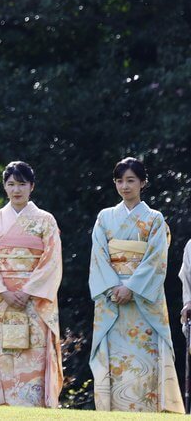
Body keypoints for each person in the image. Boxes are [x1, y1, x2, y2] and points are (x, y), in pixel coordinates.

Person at [89, 157, 183, 412]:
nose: (125, 186)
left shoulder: (154, 218)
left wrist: (131, 288)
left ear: (143, 182)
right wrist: (113, 288)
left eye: (131, 180)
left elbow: (156, 259)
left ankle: (149, 410)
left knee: (146, 356)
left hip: (142, 299)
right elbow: (98, 256)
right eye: (120, 181)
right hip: (113, 299)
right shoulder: (105, 217)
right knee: (115, 356)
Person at [0, 161, 63, 407]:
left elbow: (51, 261)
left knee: (32, 357)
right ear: (4, 187)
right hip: (1, 300)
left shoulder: (46, 220)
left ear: (31, 187)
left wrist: (27, 291)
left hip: (33, 300)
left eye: (22, 184)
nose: (16, 190)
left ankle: (32, 406)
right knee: (2, 355)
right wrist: (2, 291)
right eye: (11, 184)